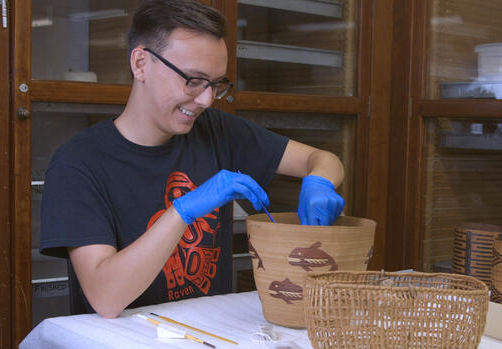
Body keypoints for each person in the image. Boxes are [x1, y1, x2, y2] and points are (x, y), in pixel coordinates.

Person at [40, 0, 345, 319]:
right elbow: (105, 298)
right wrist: (183, 211)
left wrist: (319, 180)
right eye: (192, 80)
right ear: (141, 63)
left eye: (215, 84)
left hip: (208, 338)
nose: (206, 100)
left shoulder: (217, 131)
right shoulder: (78, 164)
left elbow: (321, 158)